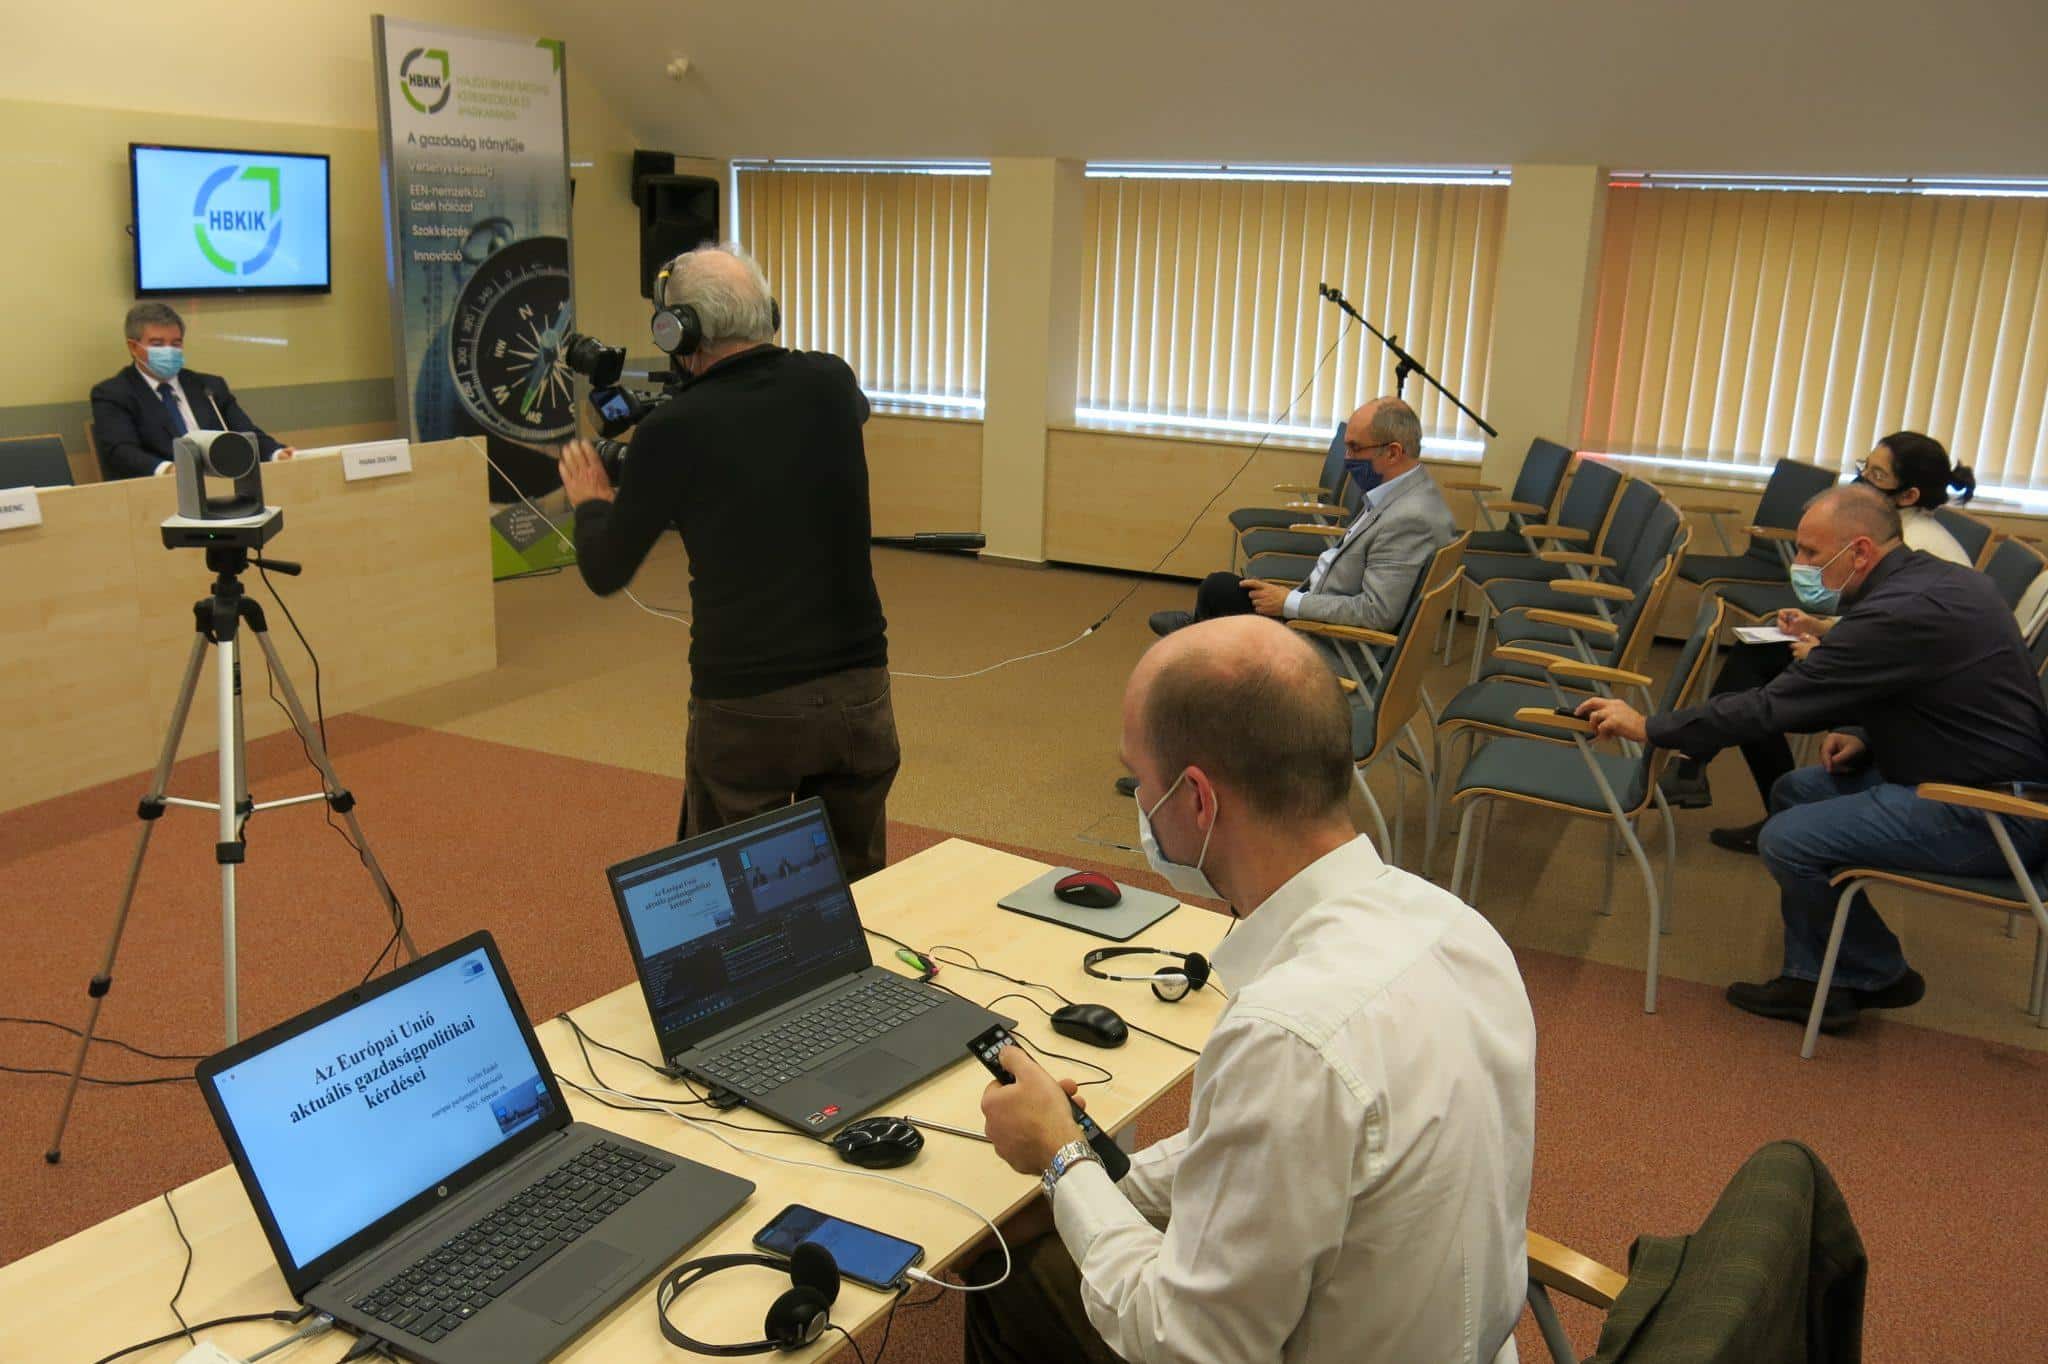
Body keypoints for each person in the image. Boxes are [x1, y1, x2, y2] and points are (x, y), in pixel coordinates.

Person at [972, 615, 1536, 1364]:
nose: (1136, 801)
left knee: (1009, 1275)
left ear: (1196, 800)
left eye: (1138, 781)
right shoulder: (1459, 929)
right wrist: (1101, 1177)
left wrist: (1059, 1161)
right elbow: (1261, 1155)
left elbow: (1184, 1344)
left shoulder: (1287, 1036)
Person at [1579, 484, 2048, 1033]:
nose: (1798, 564)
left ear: (1861, 552)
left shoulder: (1898, 613)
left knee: (1789, 839)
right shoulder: (1935, 583)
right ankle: (1815, 975)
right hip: (1960, 773)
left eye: (1809, 552)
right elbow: (1931, 687)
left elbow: (1772, 707)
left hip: (1992, 814)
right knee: (1793, 792)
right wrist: (1861, 734)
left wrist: (1650, 727)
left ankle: (1875, 969)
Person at [557, 244, 898, 879]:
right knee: (860, 890)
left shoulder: (674, 430)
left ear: (676, 329)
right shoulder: (831, 381)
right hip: (860, 696)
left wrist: (593, 502)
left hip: (748, 706)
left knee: (744, 897)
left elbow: (605, 570)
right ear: (767, 313)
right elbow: (807, 421)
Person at [1665, 432, 2001, 853]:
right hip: (1888, 671)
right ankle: (1708, 769)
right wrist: (1823, 626)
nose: (1861, 479)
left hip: (1909, 699)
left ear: (1909, 494)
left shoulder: (1916, 545)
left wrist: (1823, 649)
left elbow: (1893, 645)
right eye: (1865, 467)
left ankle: (1709, 770)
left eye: (1876, 474)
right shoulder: (1899, 530)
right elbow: (1881, 626)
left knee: (1768, 693)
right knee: (1755, 661)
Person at [1146, 396, 1457, 638]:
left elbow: (1377, 613)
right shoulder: (1402, 490)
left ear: (1392, 452)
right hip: (1314, 603)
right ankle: (1199, 633)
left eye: (1354, 448)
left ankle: (1197, 642)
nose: (1348, 458)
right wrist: (1291, 599)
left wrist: (1288, 603)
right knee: (1220, 588)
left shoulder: (1410, 519)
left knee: (1218, 599)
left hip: (1325, 638)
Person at [89, 302, 292, 480]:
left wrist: (276, 453)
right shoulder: (113, 393)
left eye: (176, 344)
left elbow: (246, 433)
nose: (169, 351)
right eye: (158, 344)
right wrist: (168, 469)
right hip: (160, 490)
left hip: (222, 481)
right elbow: (121, 451)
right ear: (134, 347)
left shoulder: (208, 386)